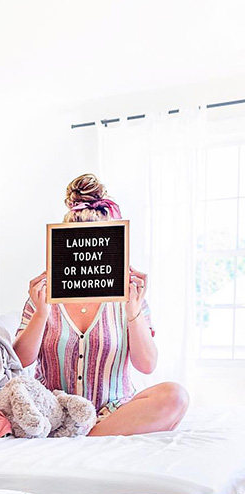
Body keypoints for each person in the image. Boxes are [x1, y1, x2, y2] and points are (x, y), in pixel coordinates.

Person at [13, 174, 188, 436]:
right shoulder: (43, 297)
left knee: (175, 396)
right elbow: (19, 361)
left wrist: (133, 313)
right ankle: (79, 430)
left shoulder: (130, 298)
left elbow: (147, 365)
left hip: (113, 410)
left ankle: (87, 434)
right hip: (56, 410)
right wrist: (41, 314)